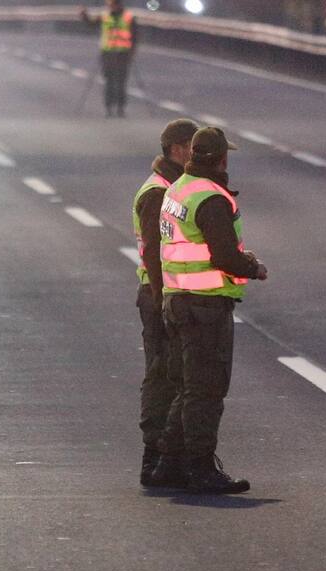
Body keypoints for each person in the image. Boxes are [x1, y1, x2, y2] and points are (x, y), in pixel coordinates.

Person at [151, 127, 268, 494]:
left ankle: (167, 465)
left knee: (187, 388)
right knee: (206, 391)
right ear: (222, 158)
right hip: (205, 306)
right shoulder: (212, 198)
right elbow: (224, 256)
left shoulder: (178, 189)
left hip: (178, 299)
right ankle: (201, 469)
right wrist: (253, 267)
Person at [133, 119, 200, 486]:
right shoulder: (159, 192)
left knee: (176, 375)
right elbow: (154, 255)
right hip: (160, 296)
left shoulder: (174, 187)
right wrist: (163, 301)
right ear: (177, 148)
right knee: (162, 376)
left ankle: (169, 459)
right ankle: (154, 458)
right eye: (193, 146)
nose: (198, 153)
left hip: (170, 294)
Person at [80, 0, 137, 118]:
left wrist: (132, 53)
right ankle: (109, 107)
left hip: (123, 55)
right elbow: (91, 24)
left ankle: (120, 108)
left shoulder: (128, 17)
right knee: (109, 82)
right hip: (108, 54)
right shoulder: (104, 16)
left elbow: (135, 36)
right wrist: (84, 15)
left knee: (121, 82)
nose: (110, 6)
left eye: (112, 4)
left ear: (118, 4)